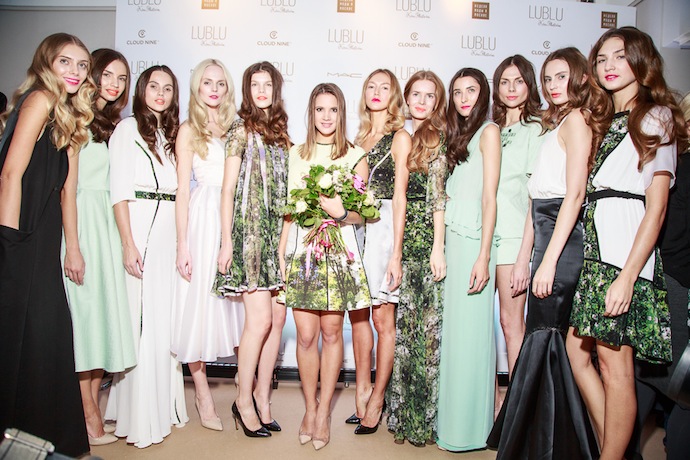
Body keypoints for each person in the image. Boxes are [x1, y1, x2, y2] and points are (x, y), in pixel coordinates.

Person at [568, 27, 685, 460]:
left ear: (640, 61)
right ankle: (613, 449)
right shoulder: (606, 121)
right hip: (598, 256)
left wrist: (629, 277)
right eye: (601, 59)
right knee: (580, 354)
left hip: (623, 258)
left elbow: (657, 207)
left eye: (619, 56)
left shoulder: (655, 116)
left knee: (615, 367)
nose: (609, 66)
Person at [488, 46, 608, 459]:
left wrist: (549, 261)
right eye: (549, 78)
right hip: (545, 238)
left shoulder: (577, 121)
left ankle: (558, 445)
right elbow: (534, 198)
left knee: (549, 344)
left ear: (580, 78)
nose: (554, 85)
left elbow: (573, 196)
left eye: (562, 77)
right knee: (543, 343)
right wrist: (527, 257)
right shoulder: (557, 122)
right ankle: (539, 439)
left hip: (563, 245)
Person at [0, 32, 95, 457]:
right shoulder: (39, 99)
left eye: (81, 65)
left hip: (44, 238)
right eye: (65, 62)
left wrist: (72, 247)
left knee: (48, 334)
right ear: (47, 64)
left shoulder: (70, 114)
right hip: (19, 237)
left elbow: (66, 192)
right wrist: (10, 241)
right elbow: (10, 175)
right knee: (22, 335)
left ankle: (46, 440)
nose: (75, 71)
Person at [279, 83, 370, 450]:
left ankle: (323, 414)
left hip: (339, 250)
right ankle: (310, 407)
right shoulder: (296, 154)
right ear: (311, 113)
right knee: (305, 335)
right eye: (320, 109)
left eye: (333, 109)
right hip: (304, 251)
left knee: (332, 333)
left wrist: (340, 212)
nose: (327, 116)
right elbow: (289, 210)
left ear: (341, 113)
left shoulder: (355, 156)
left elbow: (363, 214)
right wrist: (282, 251)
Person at [105, 65, 189, 448]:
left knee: (163, 322)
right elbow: (119, 191)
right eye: (154, 86)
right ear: (141, 90)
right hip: (141, 229)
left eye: (168, 88)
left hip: (170, 233)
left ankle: (164, 406)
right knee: (141, 321)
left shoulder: (172, 135)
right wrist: (128, 242)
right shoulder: (127, 129)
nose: (160, 93)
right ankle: (139, 416)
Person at [61, 48, 136, 446]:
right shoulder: (75, 119)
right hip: (82, 225)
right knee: (85, 319)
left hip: (105, 225)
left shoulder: (110, 124)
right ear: (92, 75)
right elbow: (67, 188)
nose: (114, 84)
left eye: (121, 78)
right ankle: (87, 415)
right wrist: (73, 247)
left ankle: (90, 407)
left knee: (99, 321)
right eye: (107, 74)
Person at [214, 61, 290, 437]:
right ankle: (242, 400)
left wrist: (284, 245)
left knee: (276, 319)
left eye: (267, 85)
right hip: (250, 236)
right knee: (258, 322)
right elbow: (228, 189)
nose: (261, 91)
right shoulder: (239, 129)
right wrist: (227, 241)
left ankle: (262, 396)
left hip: (277, 237)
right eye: (255, 84)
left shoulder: (281, 133)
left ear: (276, 89)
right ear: (247, 90)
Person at [172, 59, 242, 432]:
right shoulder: (189, 129)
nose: (213, 89)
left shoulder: (236, 127)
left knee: (238, 308)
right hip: (202, 219)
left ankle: (245, 391)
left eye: (220, 83)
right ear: (197, 87)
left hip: (234, 218)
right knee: (198, 306)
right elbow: (183, 191)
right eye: (206, 82)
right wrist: (183, 245)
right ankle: (202, 394)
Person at [436, 68, 500, 452]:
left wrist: (484, 256)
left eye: (471, 90)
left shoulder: (489, 132)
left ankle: (472, 431)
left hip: (475, 243)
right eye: (457, 92)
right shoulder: (457, 135)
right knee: (455, 341)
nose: (463, 98)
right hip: (454, 243)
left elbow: (489, 198)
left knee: (472, 340)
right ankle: (451, 425)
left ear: (483, 94)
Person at [345, 69, 411, 435]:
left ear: (394, 95)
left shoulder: (399, 137)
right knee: (358, 317)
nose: (376, 92)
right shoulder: (358, 138)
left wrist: (396, 253)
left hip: (384, 230)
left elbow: (400, 197)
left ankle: (378, 398)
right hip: (355, 230)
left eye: (385, 87)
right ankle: (362, 391)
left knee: (383, 320)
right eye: (371, 86)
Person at [387, 70, 448, 447]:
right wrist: (395, 254)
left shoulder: (442, 136)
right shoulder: (404, 136)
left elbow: (440, 196)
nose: (422, 102)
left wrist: (439, 246)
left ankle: (427, 419)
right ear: (407, 98)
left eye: (430, 95)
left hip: (435, 244)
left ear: (438, 101)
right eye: (416, 95)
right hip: (410, 243)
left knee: (430, 336)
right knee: (408, 333)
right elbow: (399, 196)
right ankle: (405, 417)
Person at [628, 92, 690, 460]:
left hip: (655, 277)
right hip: (674, 284)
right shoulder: (676, 164)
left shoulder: (668, 162)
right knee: (681, 390)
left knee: (646, 375)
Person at [491, 55, 543, 382]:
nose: (511, 88)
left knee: (512, 323)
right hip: (483, 238)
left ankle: (516, 402)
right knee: (491, 325)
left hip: (513, 240)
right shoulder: (491, 129)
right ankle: (493, 399)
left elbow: (535, 198)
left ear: (529, 85)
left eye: (518, 81)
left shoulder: (536, 130)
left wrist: (525, 256)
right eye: (504, 82)